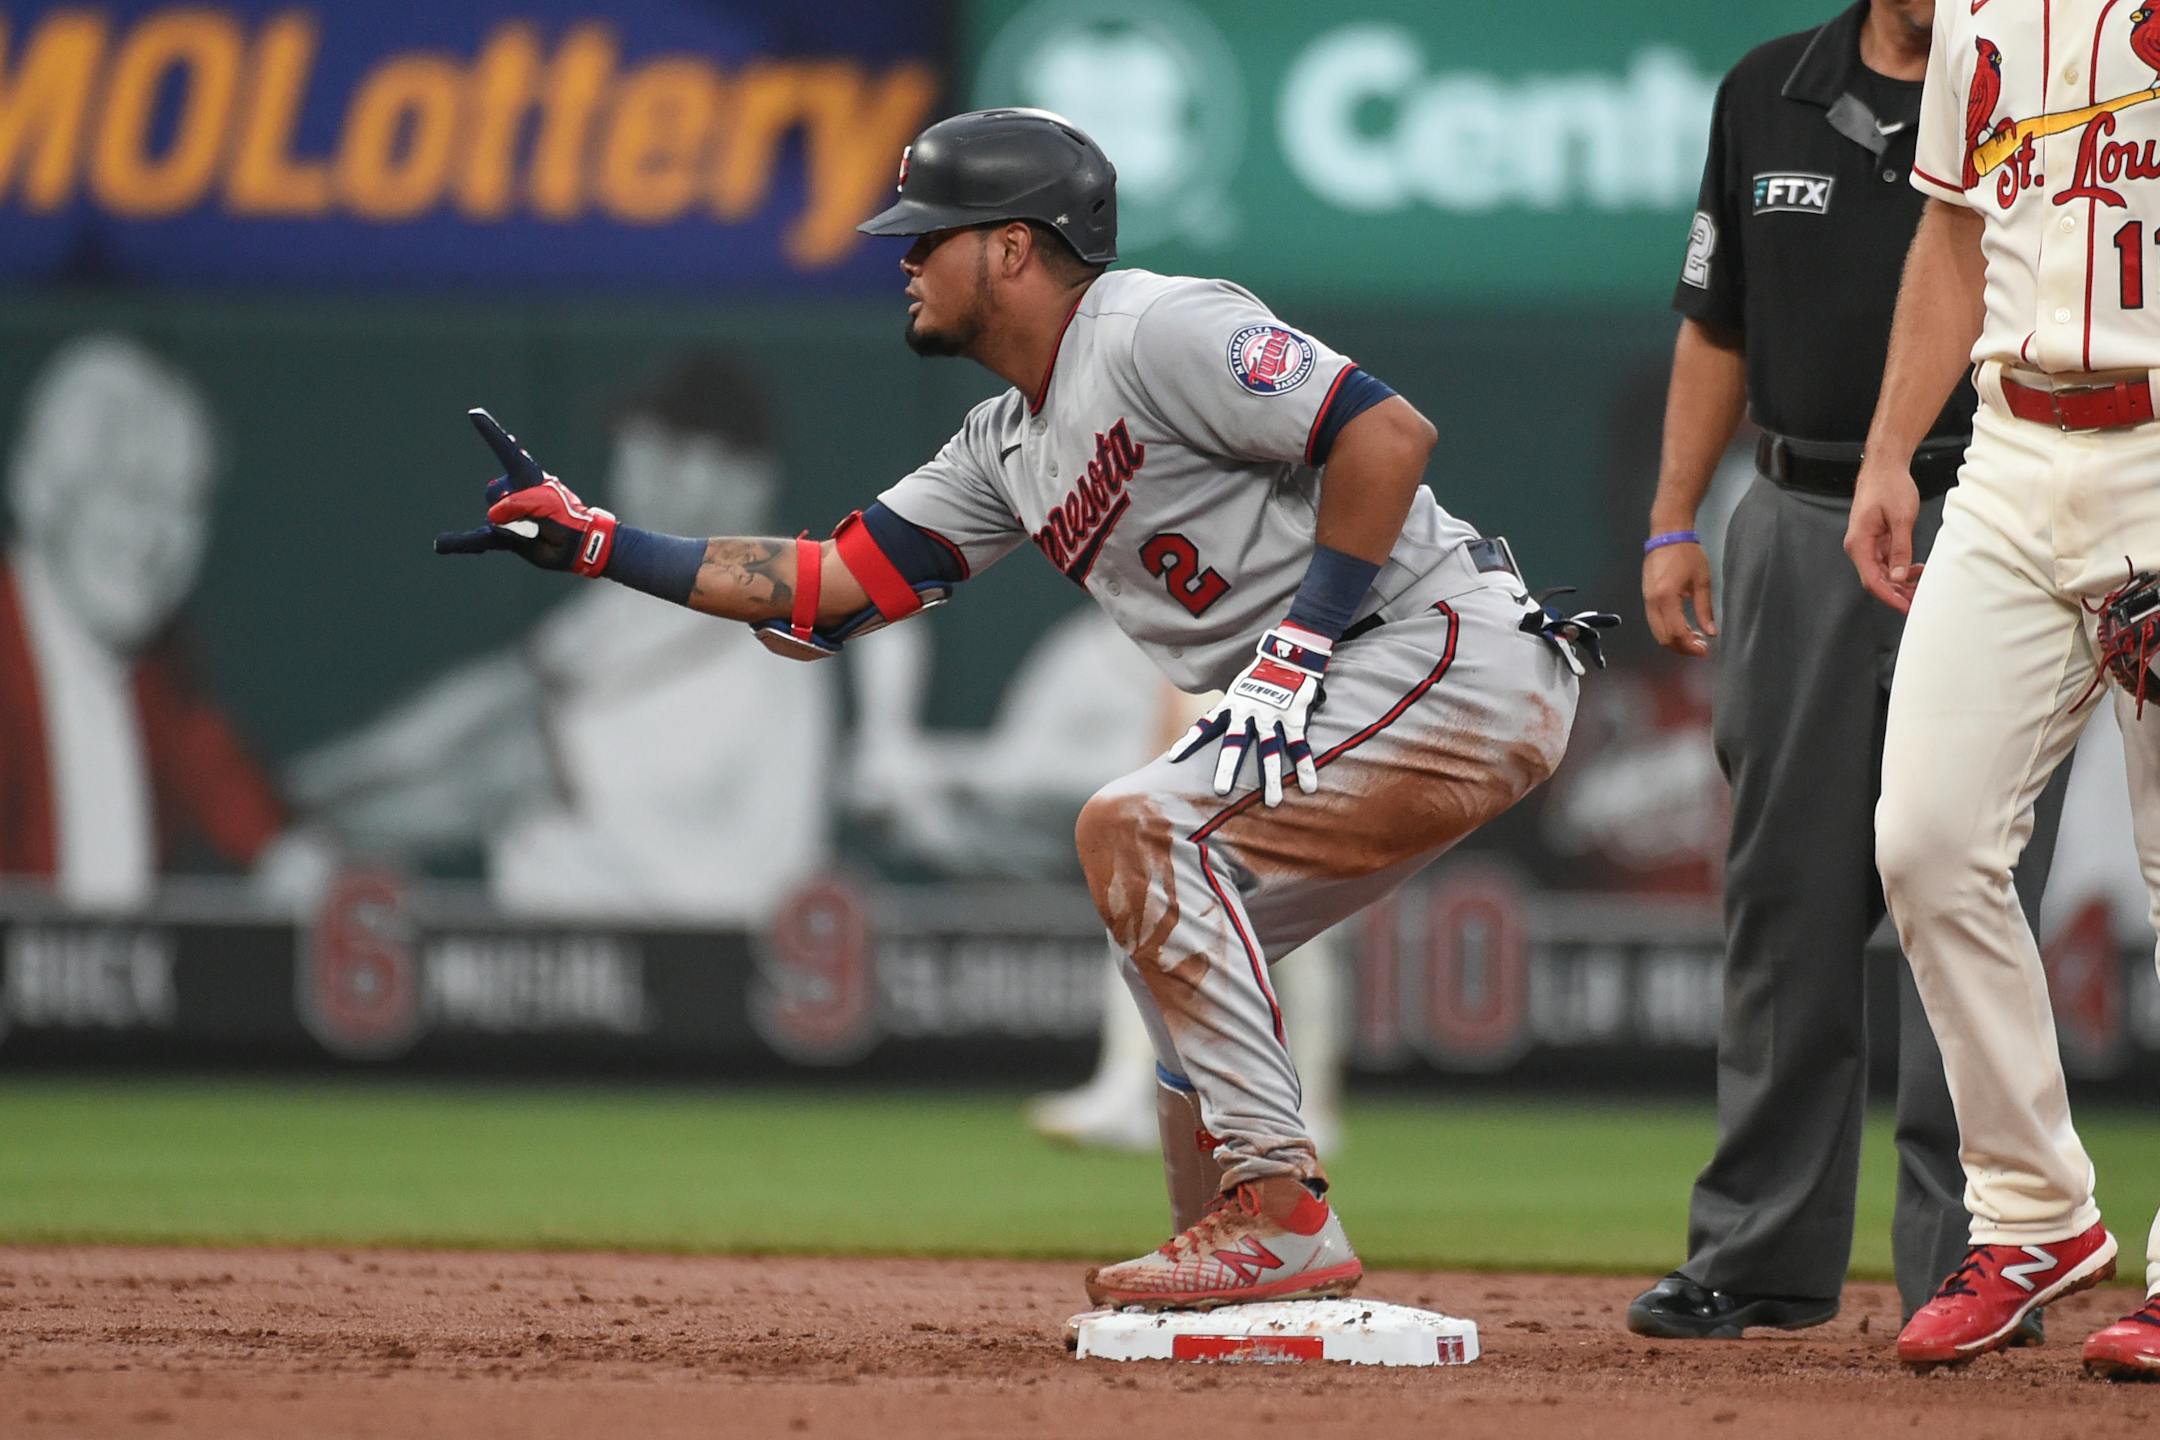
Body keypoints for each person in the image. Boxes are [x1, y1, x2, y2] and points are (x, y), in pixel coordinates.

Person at [435, 107, 1609, 1311]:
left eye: (924, 235)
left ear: (1010, 246)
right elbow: (830, 591)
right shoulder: (1004, 446)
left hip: (1447, 652)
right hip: (1361, 685)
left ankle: (1279, 1215)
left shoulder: (1156, 327)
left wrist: (1299, 644)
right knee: (1168, 943)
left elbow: (1386, 431)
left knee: (1139, 829)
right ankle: (1244, 1263)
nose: (900, 260)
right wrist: (599, 546)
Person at [1627, 0, 2067, 1343]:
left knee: (1969, 892)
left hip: (1994, 515)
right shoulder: (1772, 89)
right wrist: (1672, 516)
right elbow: (1717, 321)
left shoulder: (2047, 79)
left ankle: (1980, 1256)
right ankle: (1757, 1255)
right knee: (1784, 891)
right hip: (1801, 514)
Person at [1850, 0, 2160, 1374]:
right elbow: (1954, 235)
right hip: (2012, 452)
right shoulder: (1976, 8)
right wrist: (1888, 452)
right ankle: (2034, 1215)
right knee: (1925, 841)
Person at [291, 356, 836, 923]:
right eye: (640, 444)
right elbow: (484, 698)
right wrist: (306, 788)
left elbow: (514, 774)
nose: (640, 463)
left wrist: (308, 831)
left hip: (695, 967)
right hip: (593, 958)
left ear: (750, 480)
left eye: (674, 450)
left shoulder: (761, 633)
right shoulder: (641, 598)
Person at [0, 333, 283, 903]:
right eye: (131, 491)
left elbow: (238, 803)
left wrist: (314, 872)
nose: (153, 536)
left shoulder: (163, 671)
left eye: (182, 505)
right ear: (40, 491)